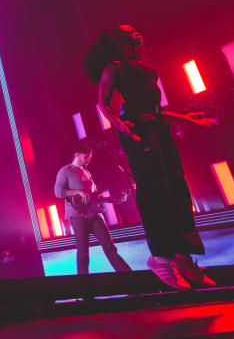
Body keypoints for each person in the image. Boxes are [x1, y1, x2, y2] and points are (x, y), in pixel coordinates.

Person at [84, 24, 216, 290]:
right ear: (119, 39)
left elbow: (155, 108)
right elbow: (103, 102)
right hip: (138, 128)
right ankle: (160, 258)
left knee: (178, 188)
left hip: (158, 124)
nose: (136, 32)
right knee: (155, 190)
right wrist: (119, 125)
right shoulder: (115, 66)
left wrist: (186, 117)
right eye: (129, 31)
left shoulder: (137, 64)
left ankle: (182, 255)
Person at [54, 143, 131, 275]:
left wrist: (112, 199)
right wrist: (79, 192)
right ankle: (85, 291)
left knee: (110, 248)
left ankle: (131, 281)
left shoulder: (87, 172)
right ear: (77, 154)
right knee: (83, 255)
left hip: (94, 215)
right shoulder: (65, 171)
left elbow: (94, 197)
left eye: (90, 158)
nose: (88, 160)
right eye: (86, 157)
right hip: (77, 216)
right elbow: (58, 192)